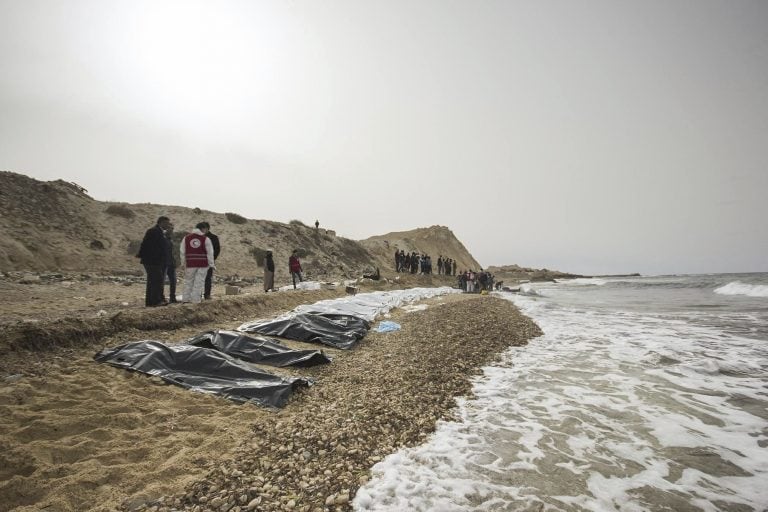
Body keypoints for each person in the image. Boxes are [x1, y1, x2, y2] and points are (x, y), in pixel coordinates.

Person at [137, 216, 171, 307]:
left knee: (153, 281)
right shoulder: (154, 231)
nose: (168, 225)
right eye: (167, 223)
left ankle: (151, 301)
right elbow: (150, 247)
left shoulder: (159, 232)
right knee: (156, 280)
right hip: (152, 261)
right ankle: (156, 301)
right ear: (161, 222)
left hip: (155, 261)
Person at [180, 222, 215, 303]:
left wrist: (183, 263)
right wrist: (212, 264)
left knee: (188, 281)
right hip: (202, 263)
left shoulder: (186, 238)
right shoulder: (206, 239)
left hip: (190, 263)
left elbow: (182, 252)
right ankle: (196, 300)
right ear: (203, 229)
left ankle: (185, 299)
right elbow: (210, 253)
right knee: (199, 282)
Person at [202, 222, 220, 300]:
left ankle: (207, 294)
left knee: (208, 278)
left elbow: (217, 249)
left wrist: (212, 259)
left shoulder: (213, 237)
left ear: (207, 228)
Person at [161, 223, 178, 303]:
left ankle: (172, 297)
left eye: (172, 228)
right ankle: (161, 297)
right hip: (164, 263)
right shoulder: (161, 237)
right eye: (170, 228)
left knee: (173, 280)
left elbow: (171, 252)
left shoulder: (169, 239)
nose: (172, 230)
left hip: (170, 262)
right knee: (162, 281)